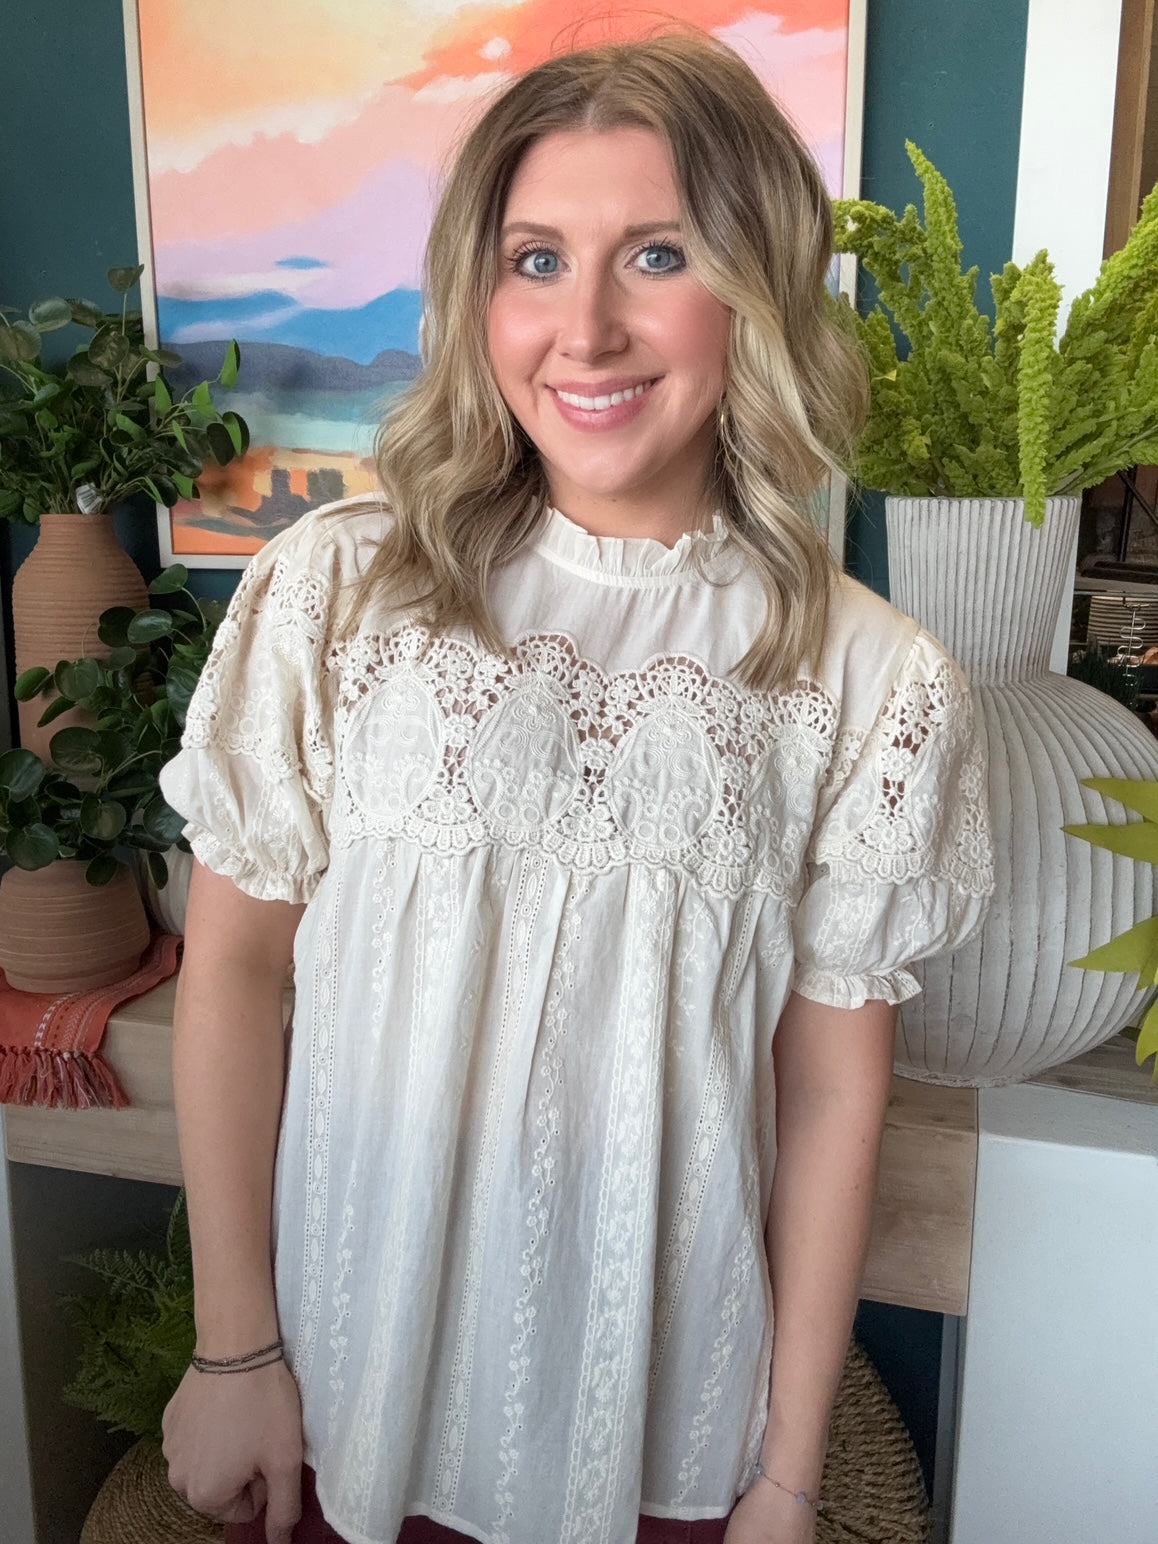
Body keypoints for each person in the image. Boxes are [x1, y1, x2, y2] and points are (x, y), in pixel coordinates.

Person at [159, 32, 993, 1544]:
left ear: (754, 291)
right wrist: (233, 1350)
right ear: (477, 295)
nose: (587, 329)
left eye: (657, 255)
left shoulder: (874, 679)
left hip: (658, 1433)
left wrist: (787, 1478)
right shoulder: (339, 593)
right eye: (535, 259)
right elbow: (230, 971)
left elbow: (829, 1095)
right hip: (339, 1397)